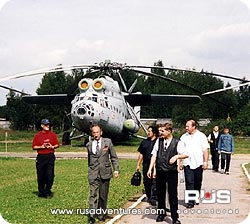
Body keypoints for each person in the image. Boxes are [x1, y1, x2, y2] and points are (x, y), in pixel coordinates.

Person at [147, 123, 188, 224]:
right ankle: (161, 213)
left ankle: (175, 217)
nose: (160, 133)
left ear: (169, 131)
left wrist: (176, 157)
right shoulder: (159, 141)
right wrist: (150, 168)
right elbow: (154, 155)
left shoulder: (177, 142)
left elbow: (186, 154)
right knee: (160, 194)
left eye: (162, 131)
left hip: (171, 172)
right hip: (160, 170)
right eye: (159, 131)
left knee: (172, 194)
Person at [86, 124, 119, 224]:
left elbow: (114, 157)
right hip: (93, 173)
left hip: (105, 173)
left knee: (103, 196)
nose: (95, 134)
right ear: (92, 133)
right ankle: (92, 216)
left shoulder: (107, 142)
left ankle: (101, 214)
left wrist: (116, 169)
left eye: (97, 132)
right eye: (94, 132)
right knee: (92, 195)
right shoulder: (88, 144)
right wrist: (91, 170)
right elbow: (89, 159)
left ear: (101, 132)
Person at [180, 119, 209, 209]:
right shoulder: (183, 137)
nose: (186, 128)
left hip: (198, 163)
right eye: (186, 126)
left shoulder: (201, 136)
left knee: (197, 182)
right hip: (187, 163)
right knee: (189, 182)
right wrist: (180, 162)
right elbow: (180, 151)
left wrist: (205, 162)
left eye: (188, 126)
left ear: (194, 127)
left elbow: (205, 150)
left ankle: (196, 197)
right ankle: (190, 201)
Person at [32, 119, 59, 199]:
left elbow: (57, 144)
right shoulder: (37, 136)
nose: (48, 126)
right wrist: (42, 147)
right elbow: (34, 147)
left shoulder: (53, 135)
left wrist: (52, 146)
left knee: (50, 175)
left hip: (50, 156)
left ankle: (47, 191)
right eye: (46, 125)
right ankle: (41, 191)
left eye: (48, 125)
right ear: (42, 126)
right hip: (41, 157)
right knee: (41, 175)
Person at [136, 126, 158, 206]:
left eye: (150, 131)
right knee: (146, 181)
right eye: (148, 131)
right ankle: (149, 195)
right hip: (146, 164)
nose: (148, 133)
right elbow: (141, 154)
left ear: (154, 133)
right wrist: (138, 164)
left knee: (154, 181)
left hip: (156, 164)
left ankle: (153, 197)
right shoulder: (144, 142)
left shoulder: (158, 142)